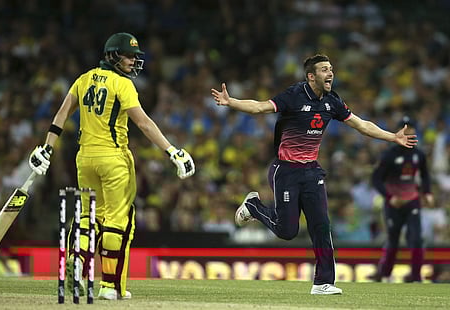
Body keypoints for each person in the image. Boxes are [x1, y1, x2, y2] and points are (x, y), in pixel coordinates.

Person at [210, 54, 417, 295]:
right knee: (287, 232)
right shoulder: (294, 95)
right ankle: (253, 205)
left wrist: (392, 136)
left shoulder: (332, 101)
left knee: (321, 226)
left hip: (311, 171)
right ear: (311, 76)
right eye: (324, 70)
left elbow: (361, 125)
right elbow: (260, 107)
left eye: (331, 69)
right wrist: (231, 102)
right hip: (285, 170)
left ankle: (323, 282)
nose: (330, 73)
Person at [28, 32, 195, 300]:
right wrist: (172, 151)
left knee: (87, 217)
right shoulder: (122, 84)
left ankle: (79, 263)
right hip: (114, 159)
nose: (133, 60)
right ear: (113, 55)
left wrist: (47, 147)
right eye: (128, 55)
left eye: (134, 56)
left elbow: (61, 114)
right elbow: (144, 123)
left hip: (84, 159)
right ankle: (109, 286)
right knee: (118, 221)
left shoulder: (84, 79)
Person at [370, 116, 434, 283]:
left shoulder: (419, 155)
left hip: (412, 201)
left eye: (412, 129)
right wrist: (390, 198)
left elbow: (425, 175)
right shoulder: (389, 155)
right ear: (399, 132)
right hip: (394, 203)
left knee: (416, 239)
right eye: (405, 129)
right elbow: (376, 179)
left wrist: (427, 192)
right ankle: (385, 275)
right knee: (393, 239)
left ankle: (416, 277)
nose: (409, 132)